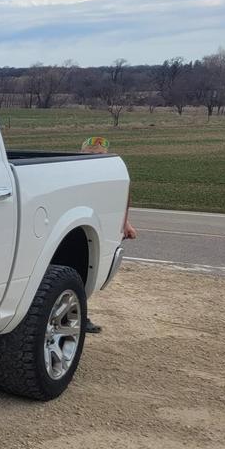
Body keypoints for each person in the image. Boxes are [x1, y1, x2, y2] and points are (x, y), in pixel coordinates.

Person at [80, 137, 137, 333]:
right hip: (81, 230)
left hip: (101, 231)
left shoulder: (110, 176)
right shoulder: (77, 176)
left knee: (90, 273)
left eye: (100, 155)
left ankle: (79, 314)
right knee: (79, 273)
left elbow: (121, 201)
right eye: (91, 154)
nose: (96, 157)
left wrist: (126, 224)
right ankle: (79, 316)